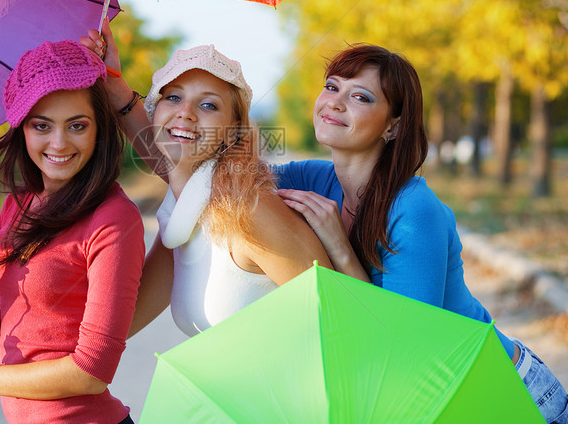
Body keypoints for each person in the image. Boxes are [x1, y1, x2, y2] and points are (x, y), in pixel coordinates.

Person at [273, 43, 568, 424]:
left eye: (360, 96)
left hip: (510, 403)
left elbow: (405, 349)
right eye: (332, 86)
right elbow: (232, 176)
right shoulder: (316, 179)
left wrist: (340, 248)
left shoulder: (413, 209)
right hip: (440, 402)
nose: (336, 102)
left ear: (393, 126)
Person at [80, 23, 367, 338]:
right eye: (173, 97)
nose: (185, 113)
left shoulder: (248, 211)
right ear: (156, 110)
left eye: (208, 105)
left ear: (233, 131)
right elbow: (118, 326)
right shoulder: (183, 216)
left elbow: (350, 321)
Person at [0, 40, 145, 424]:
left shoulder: (114, 219)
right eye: (41, 125)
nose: (59, 144)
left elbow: (92, 371)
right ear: (22, 128)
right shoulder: (19, 207)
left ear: (99, 129)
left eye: (77, 125)